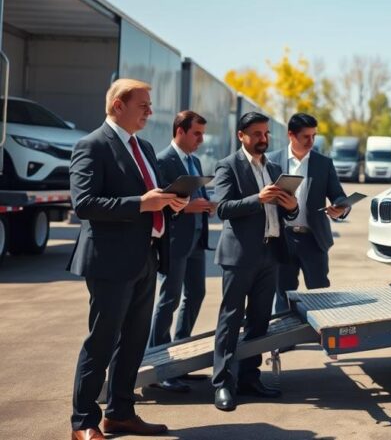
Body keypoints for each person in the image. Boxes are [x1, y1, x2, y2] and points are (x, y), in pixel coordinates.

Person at [68, 79, 188, 439]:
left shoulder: (144, 147)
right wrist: (141, 204)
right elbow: (84, 204)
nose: (150, 111)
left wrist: (172, 202)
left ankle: (120, 413)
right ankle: (84, 422)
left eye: (150, 105)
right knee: (101, 342)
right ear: (118, 105)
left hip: (145, 258)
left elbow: (153, 197)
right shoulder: (92, 145)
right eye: (143, 105)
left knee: (134, 342)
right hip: (110, 261)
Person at [211, 112, 299, 412]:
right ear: (241, 135)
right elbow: (223, 208)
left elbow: (284, 212)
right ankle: (223, 383)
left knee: (259, 320)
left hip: (270, 253)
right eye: (257, 134)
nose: (263, 139)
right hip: (239, 256)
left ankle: (249, 377)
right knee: (231, 319)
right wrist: (257, 199)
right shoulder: (228, 166)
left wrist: (292, 206)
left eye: (266, 133)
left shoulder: (274, 168)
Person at [148, 110, 218, 393]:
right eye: (196, 134)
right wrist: (190, 207)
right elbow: (159, 204)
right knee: (169, 300)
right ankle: (159, 366)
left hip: (196, 241)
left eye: (202, 134)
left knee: (196, 294)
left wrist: (207, 206)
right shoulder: (163, 161)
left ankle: (180, 359)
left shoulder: (195, 160)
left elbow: (196, 195)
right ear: (180, 131)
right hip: (175, 242)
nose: (201, 140)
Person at [268, 113, 350, 315]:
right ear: (291, 135)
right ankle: (284, 334)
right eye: (306, 136)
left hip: (314, 240)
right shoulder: (271, 161)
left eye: (314, 136)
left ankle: (322, 332)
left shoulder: (323, 163)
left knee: (321, 295)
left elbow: (339, 195)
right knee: (283, 296)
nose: (311, 141)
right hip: (282, 239)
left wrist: (341, 208)